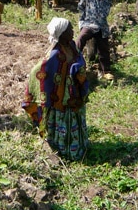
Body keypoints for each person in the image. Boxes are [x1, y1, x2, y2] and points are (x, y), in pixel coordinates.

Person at [22, 17, 90, 160]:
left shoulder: (72, 46)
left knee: (76, 120)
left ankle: (78, 148)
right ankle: (65, 151)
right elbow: (38, 71)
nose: (73, 31)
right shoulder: (54, 54)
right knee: (64, 123)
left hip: (74, 95)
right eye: (69, 29)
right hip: (62, 100)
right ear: (61, 34)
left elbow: (79, 60)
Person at [76, 0, 113, 80]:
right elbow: (80, 6)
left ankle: (106, 70)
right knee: (81, 38)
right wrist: (82, 21)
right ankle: (73, 59)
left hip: (102, 26)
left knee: (104, 48)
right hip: (89, 24)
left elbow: (107, 11)